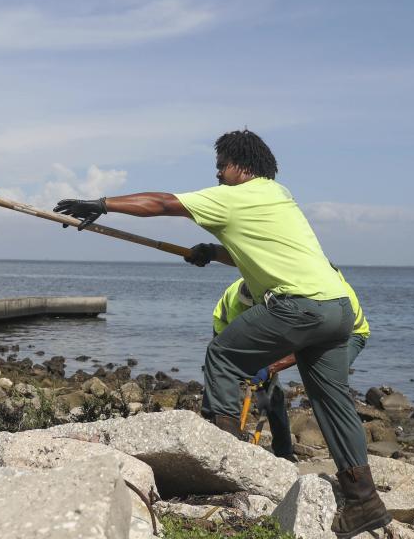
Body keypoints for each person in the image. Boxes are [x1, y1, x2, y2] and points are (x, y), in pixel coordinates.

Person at [54, 130, 390, 538]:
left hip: (299, 305)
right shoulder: (280, 197)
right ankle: (364, 502)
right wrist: (211, 252)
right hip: (339, 311)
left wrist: (102, 204)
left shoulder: (234, 196)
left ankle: (223, 461)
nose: (217, 174)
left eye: (221, 166)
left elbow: (162, 203)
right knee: (332, 402)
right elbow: (257, 251)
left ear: (242, 167)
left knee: (223, 355)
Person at [215, 265, 371, 463]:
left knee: (326, 390)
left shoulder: (321, 290)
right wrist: (253, 364)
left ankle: (336, 456)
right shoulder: (245, 300)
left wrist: (270, 367)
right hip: (224, 331)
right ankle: (225, 440)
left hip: (349, 333)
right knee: (233, 385)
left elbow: (306, 346)